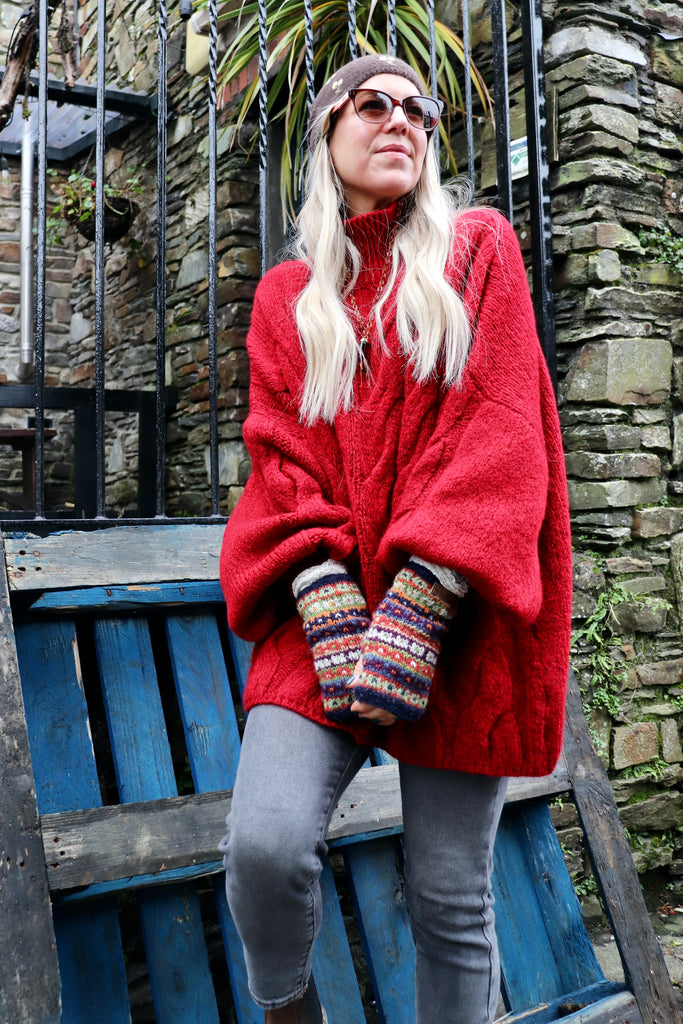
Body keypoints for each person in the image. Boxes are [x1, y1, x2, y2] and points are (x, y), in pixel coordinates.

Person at [219, 53, 572, 1024]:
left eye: (418, 109)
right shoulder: (287, 298)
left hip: (453, 606)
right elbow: (281, 460)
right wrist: (327, 601)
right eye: (371, 104)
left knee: (449, 896)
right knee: (263, 845)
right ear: (326, 135)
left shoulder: (477, 249)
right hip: (325, 606)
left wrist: (417, 607)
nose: (400, 120)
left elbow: (500, 436)